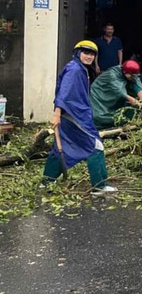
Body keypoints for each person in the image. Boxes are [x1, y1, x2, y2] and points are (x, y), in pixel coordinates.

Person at [42, 40, 116, 195]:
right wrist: (56, 115)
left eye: (92, 54)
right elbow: (64, 93)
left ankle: (46, 182)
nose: (89, 56)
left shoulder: (79, 68)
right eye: (86, 52)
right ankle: (99, 186)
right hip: (73, 117)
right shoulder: (75, 69)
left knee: (60, 147)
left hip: (76, 115)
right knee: (95, 146)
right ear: (77, 52)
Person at [90, 60, 142, 129]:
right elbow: (118, 91)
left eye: (134, 75)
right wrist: (131, 99)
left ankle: (123, 121)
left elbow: (137, 84)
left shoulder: (132, 75)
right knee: (99, 115)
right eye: (131, 75)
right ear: (124, 72)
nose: (133, 77)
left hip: (119, 93)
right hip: (101, 93)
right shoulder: (112, 74)